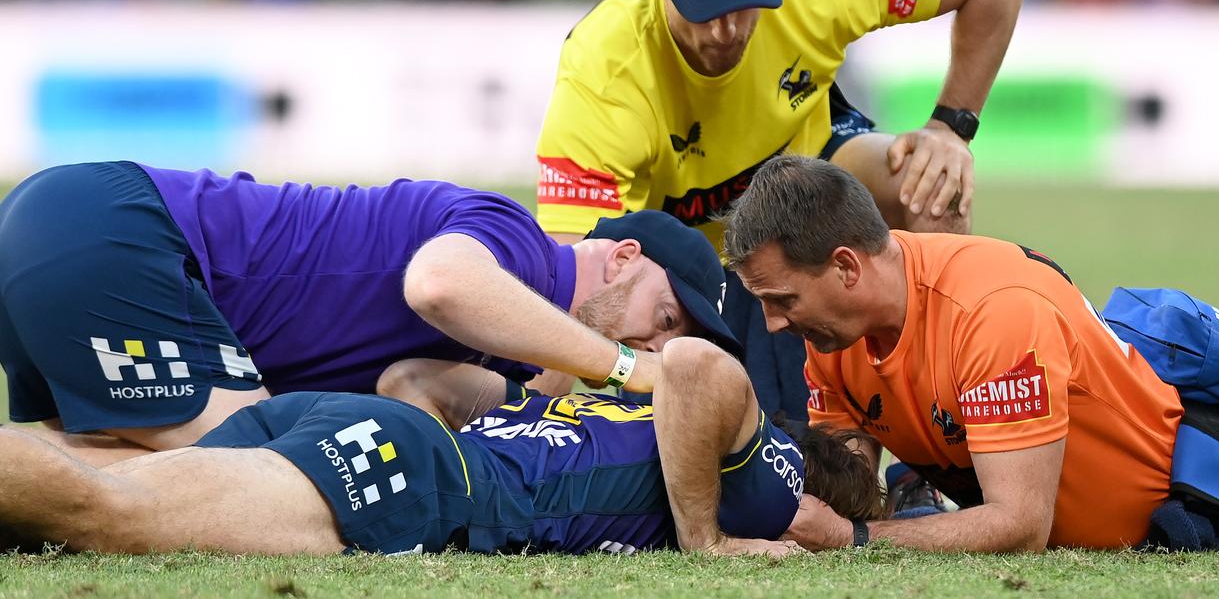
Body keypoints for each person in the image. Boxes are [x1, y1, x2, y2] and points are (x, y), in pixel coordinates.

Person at [532, 0, 1031, 421]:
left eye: (744, 1)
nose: (727, 29)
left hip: (804, 180)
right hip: (678, 255)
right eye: (704, 8)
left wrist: (950, 127)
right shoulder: (603, 70)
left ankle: (934, 441)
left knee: (934, 184)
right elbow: (571, 275)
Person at [0, 161, 737, 463]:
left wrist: (559, 388)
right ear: (624, 256)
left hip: (81, 225)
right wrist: (624, 366)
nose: (657, 340)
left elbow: (405, 389)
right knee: (257, 475)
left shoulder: (516, 340)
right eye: (668, 317)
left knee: (81, 483)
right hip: (121, 234)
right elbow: (439, 285)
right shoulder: (522, 245)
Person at [718, 153, 1219, 551]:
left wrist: (855, 537)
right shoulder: (830, 332)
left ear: (846, 267)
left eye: (782, 299)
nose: (772, 323)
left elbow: (1020, 525)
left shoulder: (992, 312)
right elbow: (852, 484)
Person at [0, 338, 884, 558]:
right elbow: (696, 363)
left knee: (74, 494)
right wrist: (711, 542)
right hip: (411, 478)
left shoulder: (613, 413)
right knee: (106, 513)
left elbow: (412, 378)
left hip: (364, 427)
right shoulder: (767, 471)